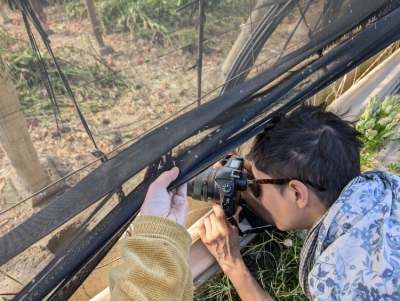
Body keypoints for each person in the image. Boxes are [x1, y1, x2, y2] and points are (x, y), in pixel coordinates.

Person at [109, 105, 400, 300]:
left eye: (256, 185)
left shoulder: (340, 279)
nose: (248, 188)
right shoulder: (387, 186)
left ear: (298, 193)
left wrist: (231, 261)